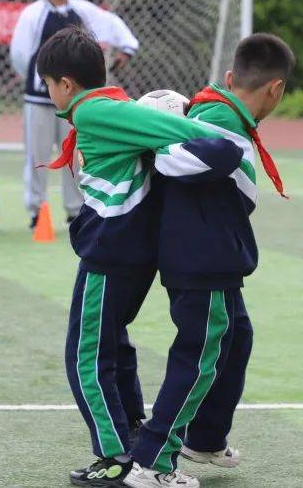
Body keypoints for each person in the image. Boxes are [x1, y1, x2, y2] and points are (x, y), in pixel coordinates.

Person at [36, 27, 242, 488]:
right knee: (113, 345)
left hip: (111, 255)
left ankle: (113, 455)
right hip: (122, 253)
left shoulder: (97, 112)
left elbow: (194, 136)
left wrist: (216, 148)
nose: (48, 92)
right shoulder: (103, 110)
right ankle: (129, 432)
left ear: (67, 84)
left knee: (85, 355)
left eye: (48, 83)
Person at [129, 35, 293, 484]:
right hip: (204, 261)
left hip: (212, 257)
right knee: (199, 357)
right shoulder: (220, 116)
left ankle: (205, 438)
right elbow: (176, 159)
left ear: (229, 77)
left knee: (236, 339)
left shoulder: (217, 108)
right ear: (275, 89)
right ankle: (152, 462)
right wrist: (178, 149)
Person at [10, 0, 139, 229]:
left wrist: (127, 47)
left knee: (75, 155)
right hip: (39, 100)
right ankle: (36, 210)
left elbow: (111, 23)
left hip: (76, 101)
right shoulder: (33, 14)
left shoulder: (81, 10)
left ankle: (75, 211)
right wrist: (42, 82)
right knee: (38, 155)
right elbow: (20, 54)